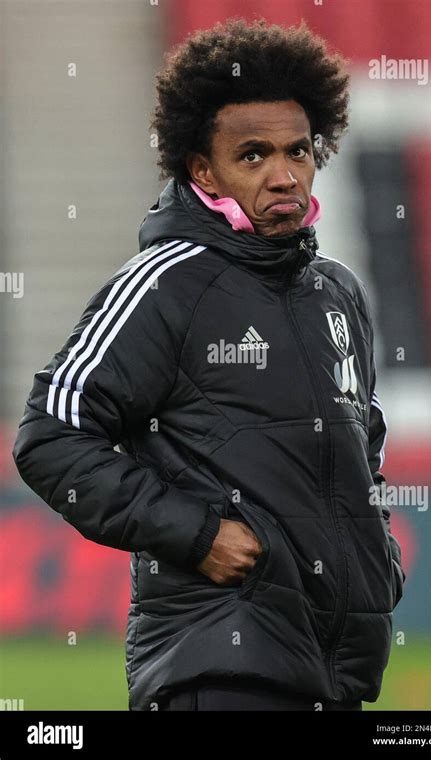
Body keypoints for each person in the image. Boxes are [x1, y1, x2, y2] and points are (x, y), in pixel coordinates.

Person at [12, 17, 405, 711]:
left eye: (297, 151)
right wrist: (196, 535)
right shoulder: (166, 282)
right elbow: (50, 435)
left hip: (333, 667)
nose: (283, 174)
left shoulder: (338, 292)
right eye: (252, 156)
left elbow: (361, 441)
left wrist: (381, 557)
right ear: (203, 170)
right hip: (220, 663)